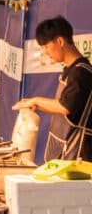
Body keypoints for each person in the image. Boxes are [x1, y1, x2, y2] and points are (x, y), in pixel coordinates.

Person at [13, 15, 92, 160]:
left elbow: (65, 107)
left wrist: (36, 100)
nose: (45, 53)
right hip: (65, 153)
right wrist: (36, 105)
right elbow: (64, 108)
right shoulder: (70, 70)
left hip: (79, 157)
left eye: (46, 47)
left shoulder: (82, 72)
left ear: (60, 41)